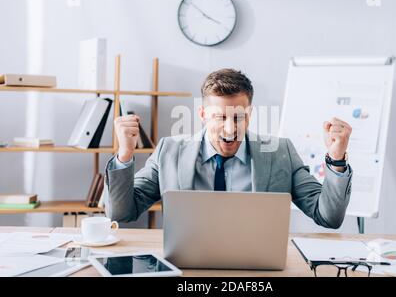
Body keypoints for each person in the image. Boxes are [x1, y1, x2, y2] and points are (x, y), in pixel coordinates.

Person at [104, 69, 353, 229]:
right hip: (190, 268)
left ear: (250, 115)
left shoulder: (280, 153)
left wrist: (337, 159)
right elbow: (121, 212)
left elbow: (328, 217)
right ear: (202, 115)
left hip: (257, 269)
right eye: (219, 117)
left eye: (238, 117)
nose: (229, 128)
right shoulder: (169, 151)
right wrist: (125, 155)